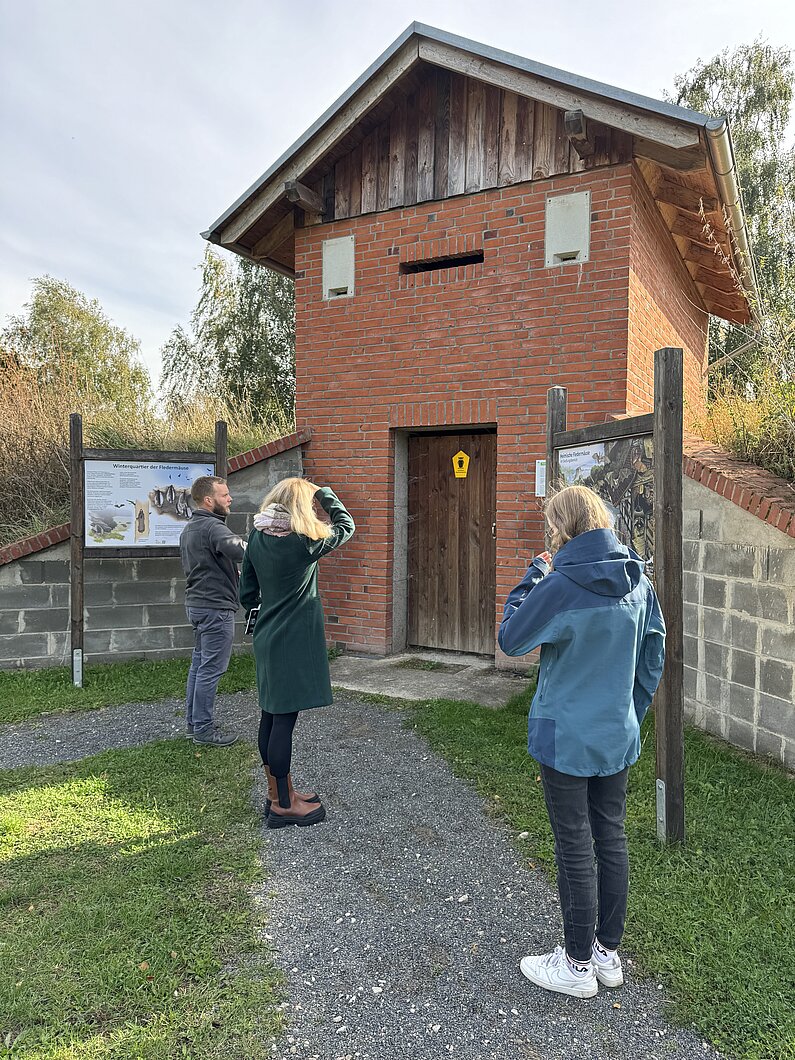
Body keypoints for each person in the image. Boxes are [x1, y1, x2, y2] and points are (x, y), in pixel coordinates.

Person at [498, 484, 665, 999]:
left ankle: (575, 966)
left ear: (562, 529)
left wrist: (535, 574)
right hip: (615, 732)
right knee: (610, 836)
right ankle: (606, 955)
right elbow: (653, 655)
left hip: (565, 736)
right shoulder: (639, 579)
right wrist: (628, 713)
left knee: (574, 844)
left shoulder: (560, 582)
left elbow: (512, 637)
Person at [240, 477, 355, 829]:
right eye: (311, 503)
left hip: (266, 636)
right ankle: (284, 806)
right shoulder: (304, 542)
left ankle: (279, 792)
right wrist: (324, 493)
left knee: (270, 715)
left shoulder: (257, 538)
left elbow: (247, 593)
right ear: (302, 505)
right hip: (292, 639)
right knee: (284, 720)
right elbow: (346, 525)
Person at [180, 475, 246, 746]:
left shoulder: (190, 528)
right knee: (210, 669)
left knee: (199, 666)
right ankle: (204, 731)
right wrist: (268, 550)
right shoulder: (213, 527)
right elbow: (242, 550)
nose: (230, 499)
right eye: (224, 495)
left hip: (197, 605)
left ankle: (194, 725)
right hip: (215, 608)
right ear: (209, 500)